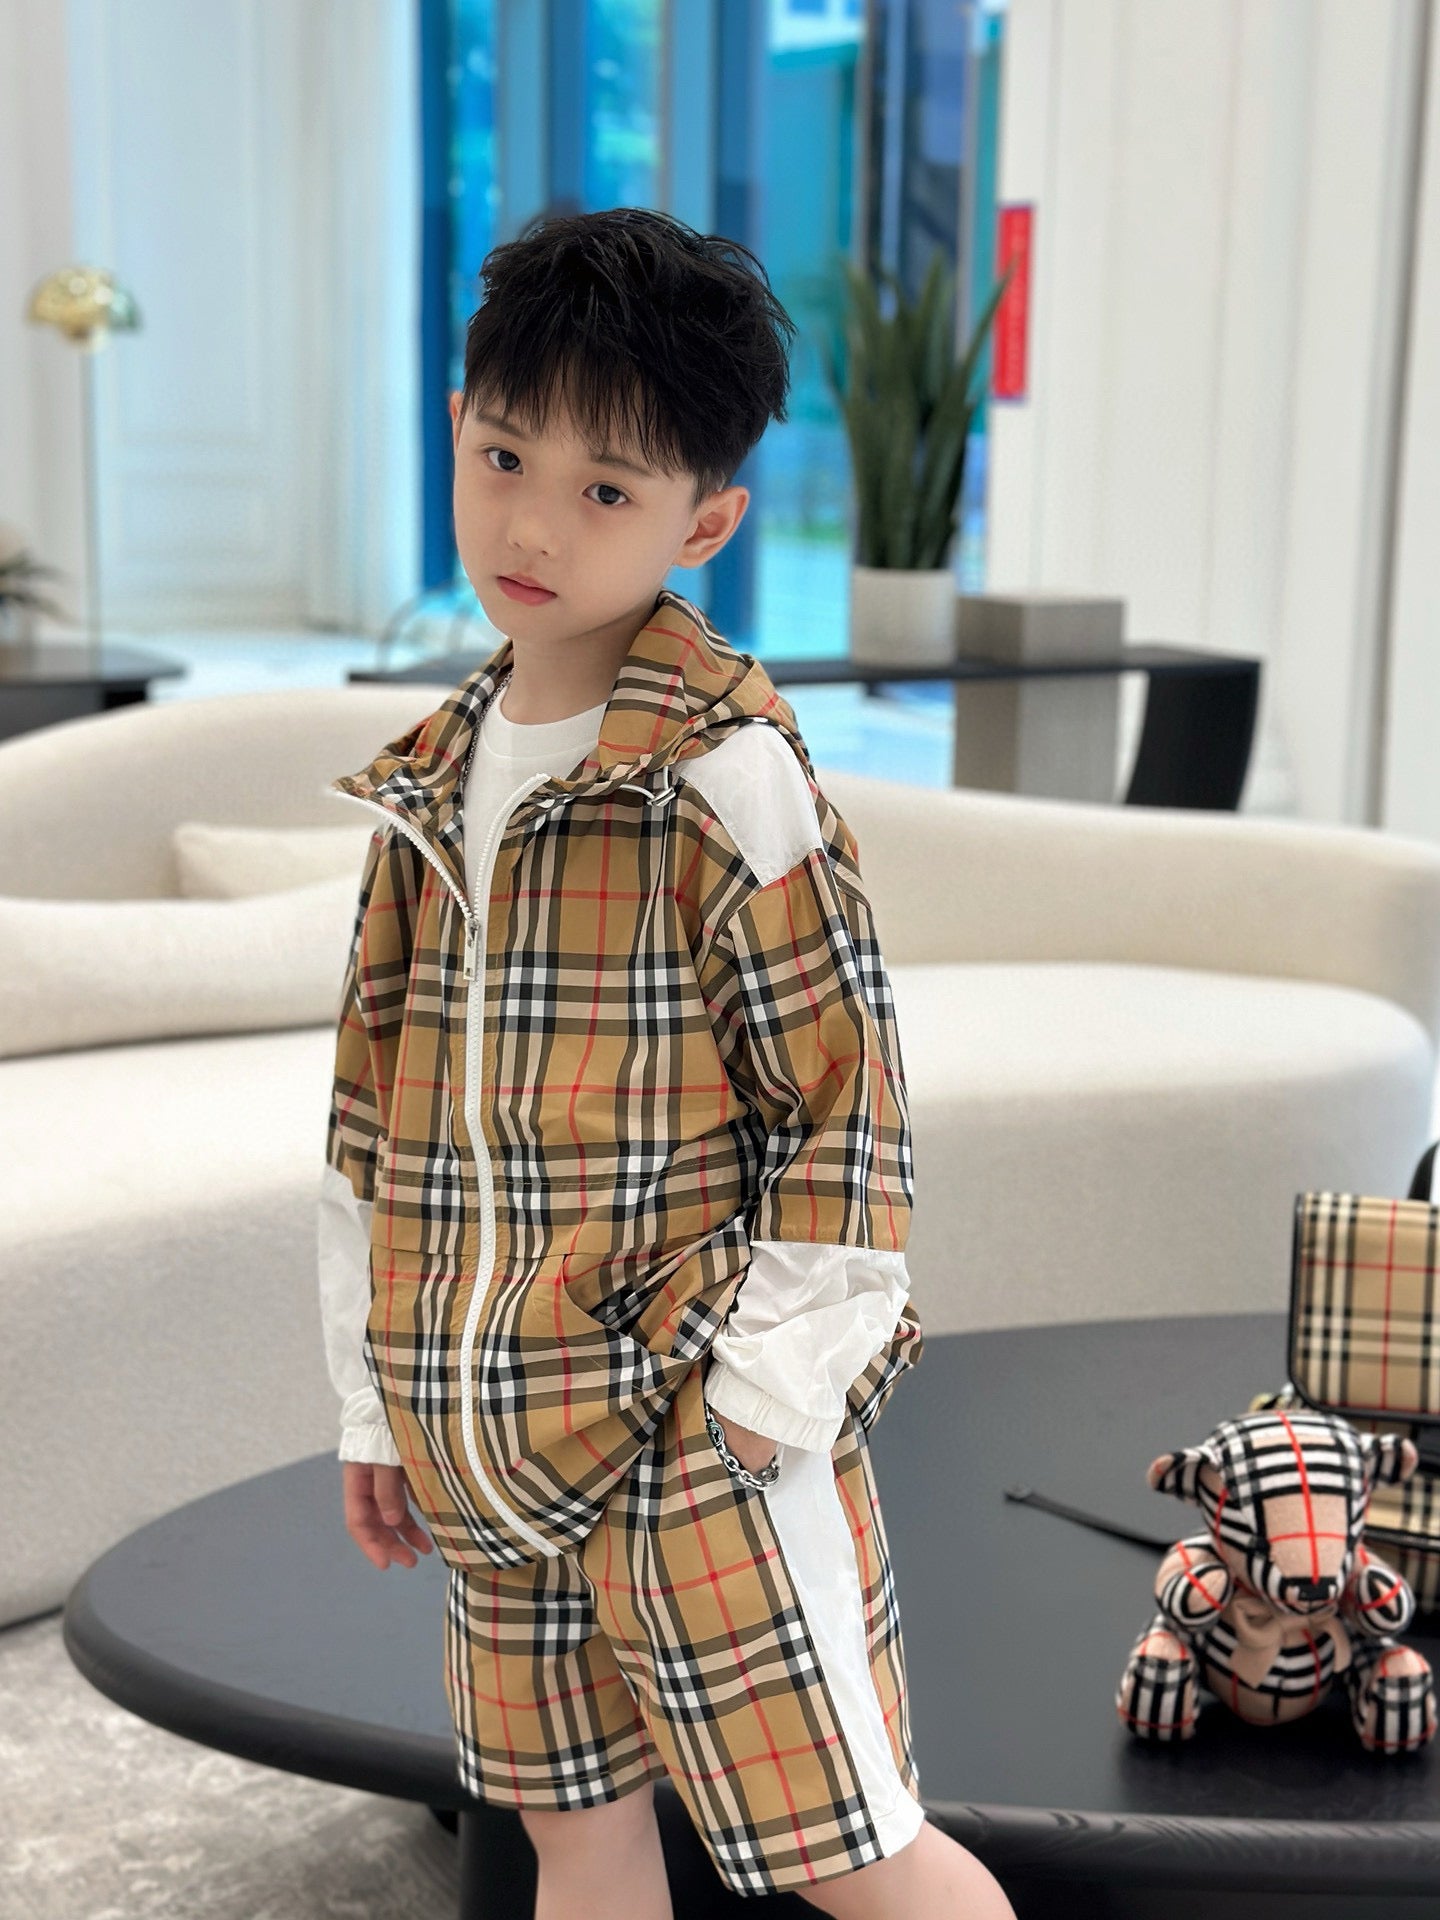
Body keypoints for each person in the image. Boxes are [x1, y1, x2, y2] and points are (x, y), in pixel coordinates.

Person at [316, 206, 1015, 1920]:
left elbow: (846, 1110)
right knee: (576, 1836)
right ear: (456, 429)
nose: (533, 524)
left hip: (691, 1434)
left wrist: (758, 1414)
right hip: (491, 1435)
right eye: (503, 456)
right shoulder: (427, 782)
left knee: (854, 1857)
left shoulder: (726, 778)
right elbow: (370, 1123)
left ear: (705, 520)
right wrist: (376, 1399)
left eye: (607, 490)